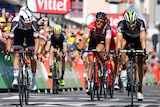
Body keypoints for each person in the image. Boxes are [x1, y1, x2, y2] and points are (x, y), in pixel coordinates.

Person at [115, 10, 146, 101]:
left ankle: (139, 90)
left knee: (139, 63)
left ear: (136, 22)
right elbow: (119, 40)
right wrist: (118, 52)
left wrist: (144, 51)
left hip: (137, 40)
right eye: (129, 24)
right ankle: (124, 67)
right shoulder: (121, 24)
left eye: (133, 24)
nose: (131, 26)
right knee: (121, 46)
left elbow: (143, 39)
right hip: (126, 39)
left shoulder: (141, 23)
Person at [77, 11, 112, 94]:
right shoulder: (90, 26)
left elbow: (107, 42)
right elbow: (85, 38)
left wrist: (106, 52)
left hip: (102, 42)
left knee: (99, 50)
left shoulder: (107, 28)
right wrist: (80, 48)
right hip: (92, 43)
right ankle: (90, 83)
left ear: (104, 22)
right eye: (97, 21)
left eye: (101, 22)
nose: (99, 23)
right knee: (90, 62)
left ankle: (103, 65)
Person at [5, 8, 39, 90]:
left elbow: (37, 40)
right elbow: (10, 39)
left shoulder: (33, 23)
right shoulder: (15, 22)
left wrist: (35, 53)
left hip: (30, 35)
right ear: (22, 20)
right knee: (17, 55)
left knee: (32, 56)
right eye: (27, 23)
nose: (29, 24)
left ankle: (33, 79)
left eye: (30, 23)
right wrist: (8, 53)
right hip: (18, 34)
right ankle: (16, 78)